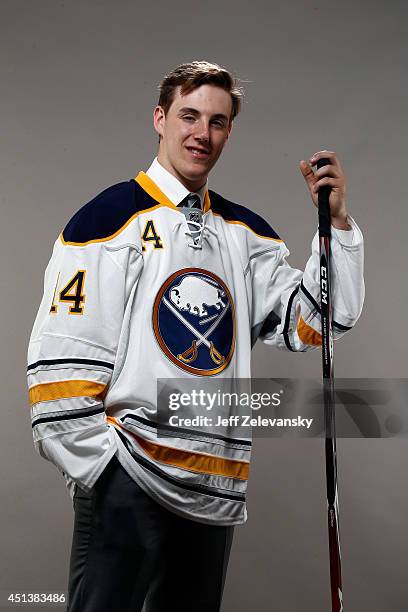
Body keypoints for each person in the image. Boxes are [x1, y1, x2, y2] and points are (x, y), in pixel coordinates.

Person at [27, 60, 364, 612]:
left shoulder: (246, 234)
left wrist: (339, 226)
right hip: (129, 482)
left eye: (217, 122)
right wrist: (106, 473)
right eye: (188, 116)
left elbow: (318, 322)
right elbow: (60, 363)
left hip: (213, 497)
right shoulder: (108, 220)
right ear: (159, 119)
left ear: (229, 131)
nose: (201, 134)